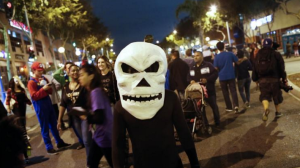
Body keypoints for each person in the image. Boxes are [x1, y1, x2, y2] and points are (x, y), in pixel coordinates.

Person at [112, 42, 199, 168]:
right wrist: (194, 162)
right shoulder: (169, 98)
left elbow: (118, 145)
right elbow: (183, 132)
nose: (142, 79)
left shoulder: (121, 107)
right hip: (169, 162)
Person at [27, 62, 70, 155]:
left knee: (54, 124)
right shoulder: (31, 82)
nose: (41, 72)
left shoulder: (44, 78)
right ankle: (48, 146)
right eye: (38, 71)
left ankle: (59, 142)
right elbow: (34, 96)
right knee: (44, 127)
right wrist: (43, 88)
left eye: (41, 70)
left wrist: (46, 86)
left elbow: (50, 91)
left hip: (48, 104)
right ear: (33, 70)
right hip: (40, 106)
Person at [77, 64, 113, 168]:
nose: (79, 78)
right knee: (91, 162)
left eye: (82, 75)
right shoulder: (93, 91)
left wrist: (85, 117)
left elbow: (99, 118)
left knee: (114, 164)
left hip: (104, 136)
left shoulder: (96, 92)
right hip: (99, 136)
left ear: (91, 76)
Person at [57, 64, 92, 164]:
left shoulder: (84, 85)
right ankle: (95, 153)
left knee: (86, 140)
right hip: (74, 117)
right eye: (72, 70)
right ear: (68, 72)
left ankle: (90, 162)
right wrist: (59, 120)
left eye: (77, 70)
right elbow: (63, 104)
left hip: (84, 115)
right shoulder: (65, 87)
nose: (75, 72)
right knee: (85, 139)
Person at [252, 38, 287, 121]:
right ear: (271, 45)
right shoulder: (276, 54)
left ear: (263, 45)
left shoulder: (259, 54)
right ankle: (278, 112)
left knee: (264, 96)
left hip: (263, 80)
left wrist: (255, 78)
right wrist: (284, 78)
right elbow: (281, 67)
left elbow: (255, 67)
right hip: (275, 80)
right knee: (276, 96)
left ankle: (266, 108)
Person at [190, 51, 220, 126]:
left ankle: (217, 121)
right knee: (201, 109)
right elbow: (188, 76)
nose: (195, 57)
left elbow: (215, 74)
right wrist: (191, 80)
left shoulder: (208, 65)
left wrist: (207, 80)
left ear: (202, 57)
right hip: (198, 93)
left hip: (209, 91)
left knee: (214, 106)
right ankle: (205, 123)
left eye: (197, 55)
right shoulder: (192, 66)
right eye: (194, 56)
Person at [214, 41, 240, 113]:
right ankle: (236, 105)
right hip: (231, 75)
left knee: (225, 92)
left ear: (218, 48)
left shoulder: (217, 57)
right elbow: (237, 62)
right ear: (224, 46)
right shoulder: (230, 54)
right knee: (233, 91)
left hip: (222, 77)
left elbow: (215, 68)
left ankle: (229, 107)